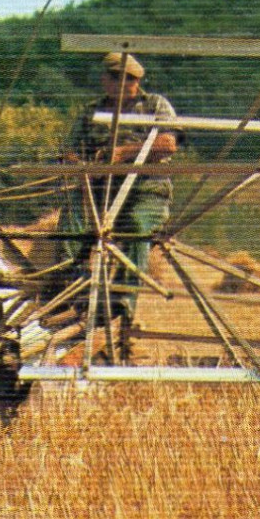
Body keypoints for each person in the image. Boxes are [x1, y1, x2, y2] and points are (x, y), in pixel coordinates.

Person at [62, 52, 180, 329]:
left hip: (145, 190)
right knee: (72, 215)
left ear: (137, 81)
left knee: (136, 225)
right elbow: (68, 151)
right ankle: (73, 282)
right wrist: (86, 166)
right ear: (106, 80)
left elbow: (167, 144)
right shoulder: (93, 111)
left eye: (129, 80)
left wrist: (124, 152)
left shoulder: (155, 105)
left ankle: (122, 301)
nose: (124, 85)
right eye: (116, 78)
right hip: (102, 190)